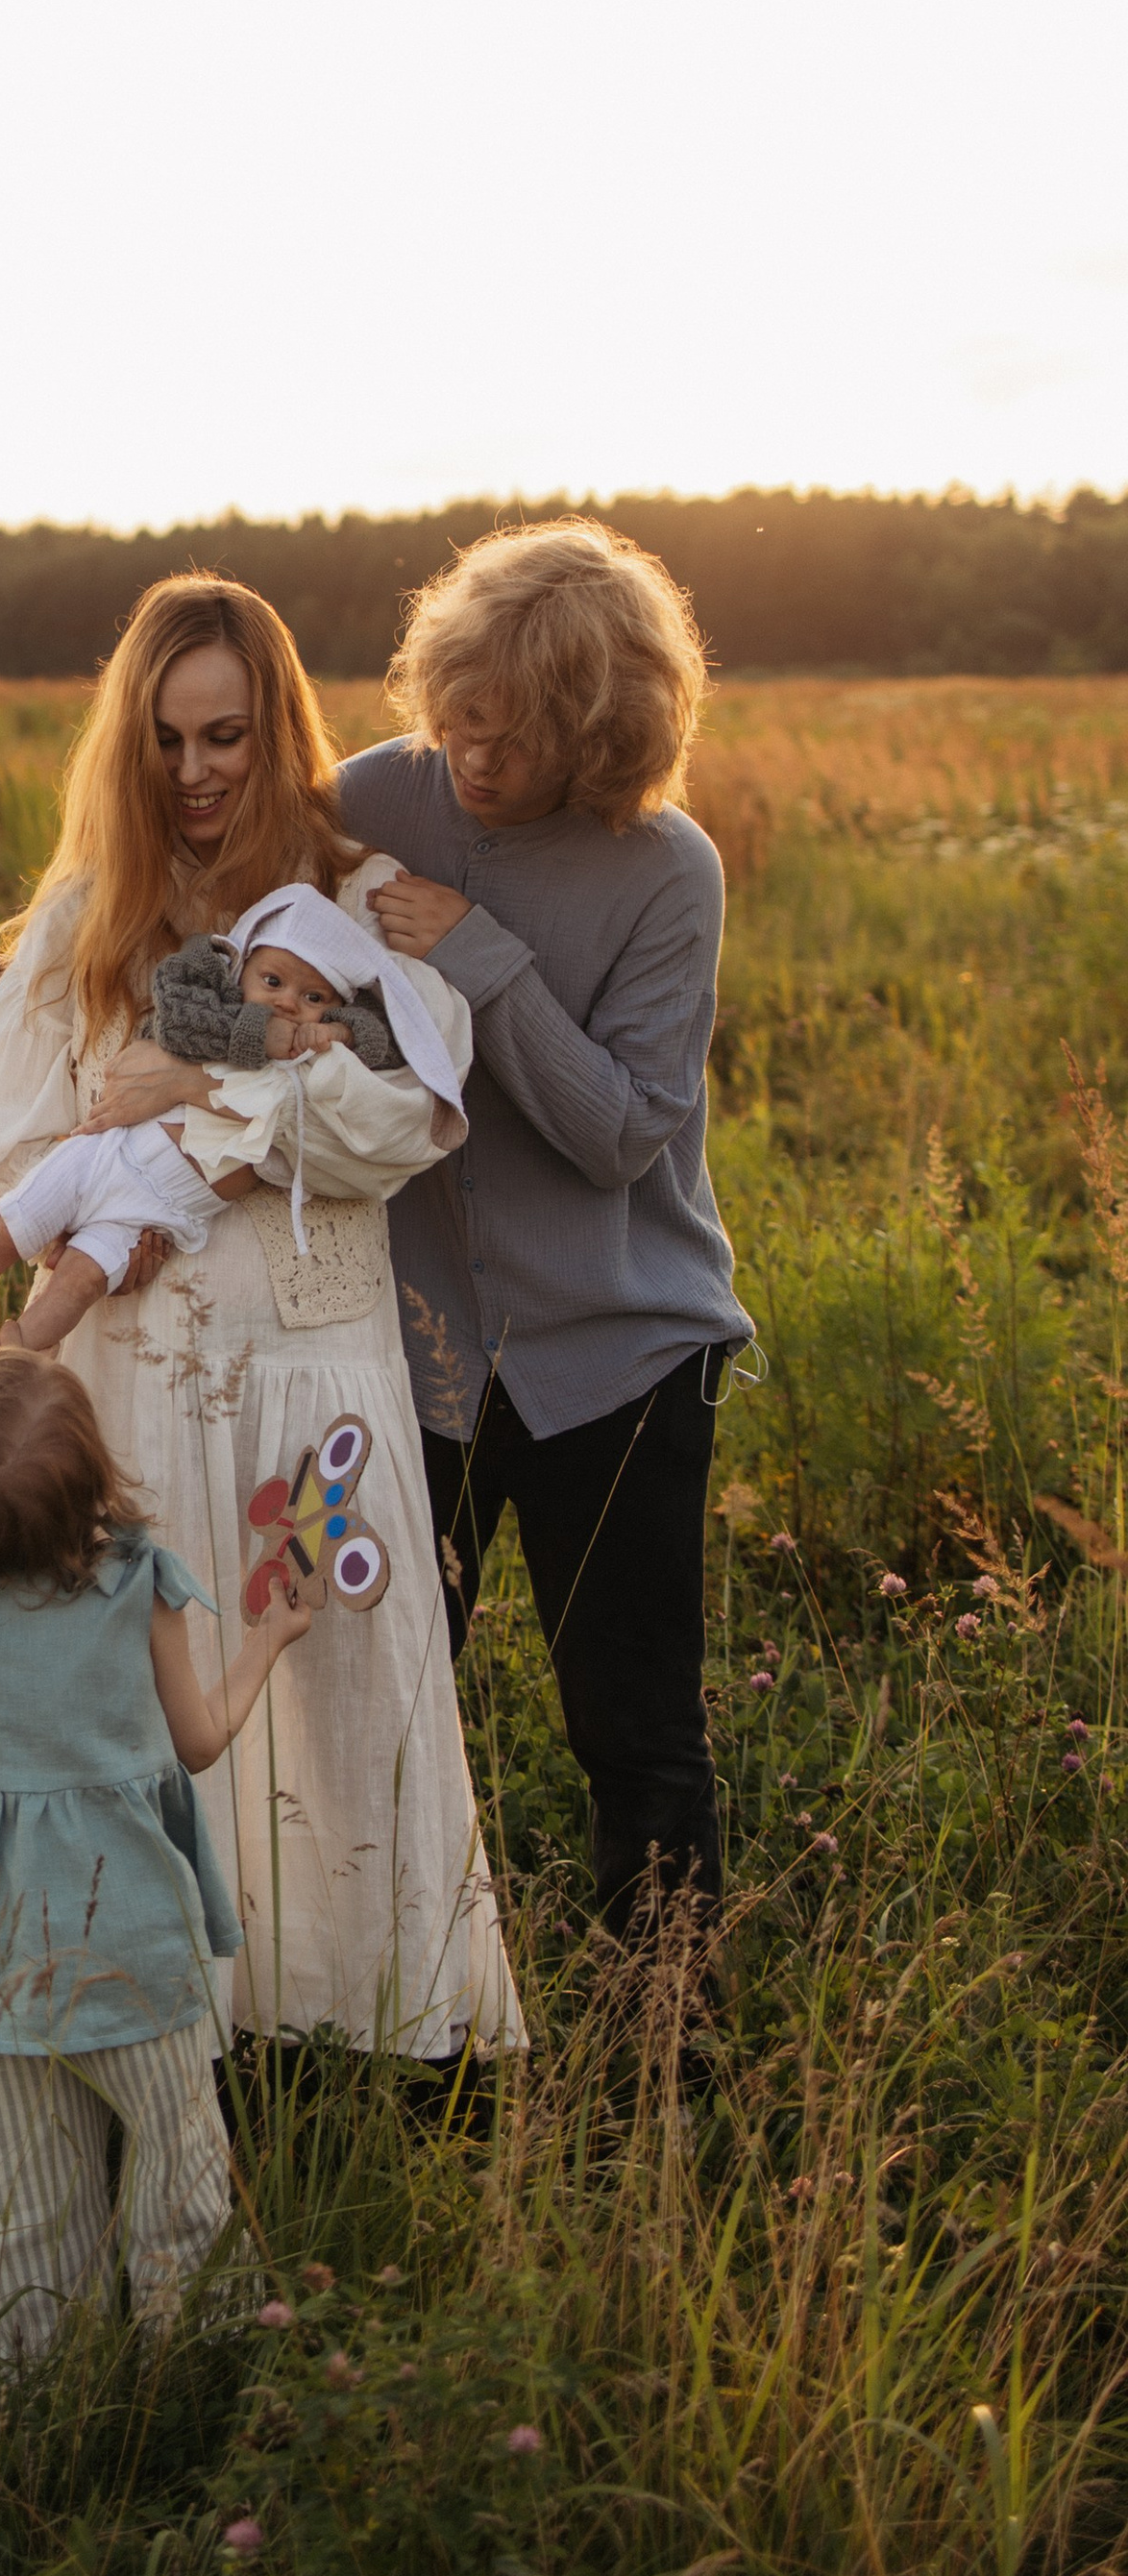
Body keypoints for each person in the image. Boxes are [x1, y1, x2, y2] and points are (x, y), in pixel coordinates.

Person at [0, 573, 523, 2060]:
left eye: (227, 736)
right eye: (167, 739)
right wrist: (118, 1190)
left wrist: (206, 1090)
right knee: (153, 1686)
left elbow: (405, 1119)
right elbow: (7, 1138)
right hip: (131, 1361)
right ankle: (170, 2028)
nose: (195, 771)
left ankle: (374, 2025)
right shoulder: (92, 915)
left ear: (278, 730)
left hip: (309, 1350)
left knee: (332, 1665)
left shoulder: (354, 903)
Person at [341, 518, 750, 1926]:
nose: (470, 754)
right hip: (407, 1359)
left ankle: (663, 2030)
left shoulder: (667, 867)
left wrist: (476, 954)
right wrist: (46, 980)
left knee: (634, 1733)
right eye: (455, 714)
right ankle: (382, 2019)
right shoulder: (369, 798)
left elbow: (622, 1135)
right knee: (374, 1710)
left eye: (510, 738)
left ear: (599, 736)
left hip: (619, 1362)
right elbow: (218, 945)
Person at [0, 1357, 322, 2360]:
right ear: (92, 1484)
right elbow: (198, 1740)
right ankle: (192, 2346)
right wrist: (268, 1640)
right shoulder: (137, 1581)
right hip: (130, 1939)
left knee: (22, 2189)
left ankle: (40, 2358)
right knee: (176, 2156)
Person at [0, 888, 452, 1362]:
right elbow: (179, 1012)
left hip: (156, 1212)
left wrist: (339, 1033)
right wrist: (267, 1035)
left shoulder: (314, 1067)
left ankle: (12, 1348)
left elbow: (385, 1043)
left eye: (314, 998)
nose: (288, 1002)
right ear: (240, 973)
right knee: (18, 1220)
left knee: (81, 1281)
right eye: (272, 981)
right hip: (105, 1158)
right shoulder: (214, 1020)